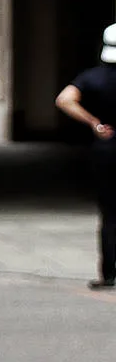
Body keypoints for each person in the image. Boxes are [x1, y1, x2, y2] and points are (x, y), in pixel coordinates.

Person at [55, 23, 116, 290]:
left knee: (110, 214)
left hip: (107, 149)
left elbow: (64, 99)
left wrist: (93, 122)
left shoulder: (92, 78)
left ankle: (109, 274)